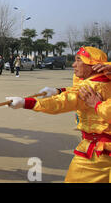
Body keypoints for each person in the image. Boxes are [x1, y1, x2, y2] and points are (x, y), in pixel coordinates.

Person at [7, 46, 111, 183]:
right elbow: (72, 92)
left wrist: (26, 103)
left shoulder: (89, 89)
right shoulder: (104, 82)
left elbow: (62, 103)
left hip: (97, 152)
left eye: (78, 60)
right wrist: (58, 91)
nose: (73, 65)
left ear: (92, 65)